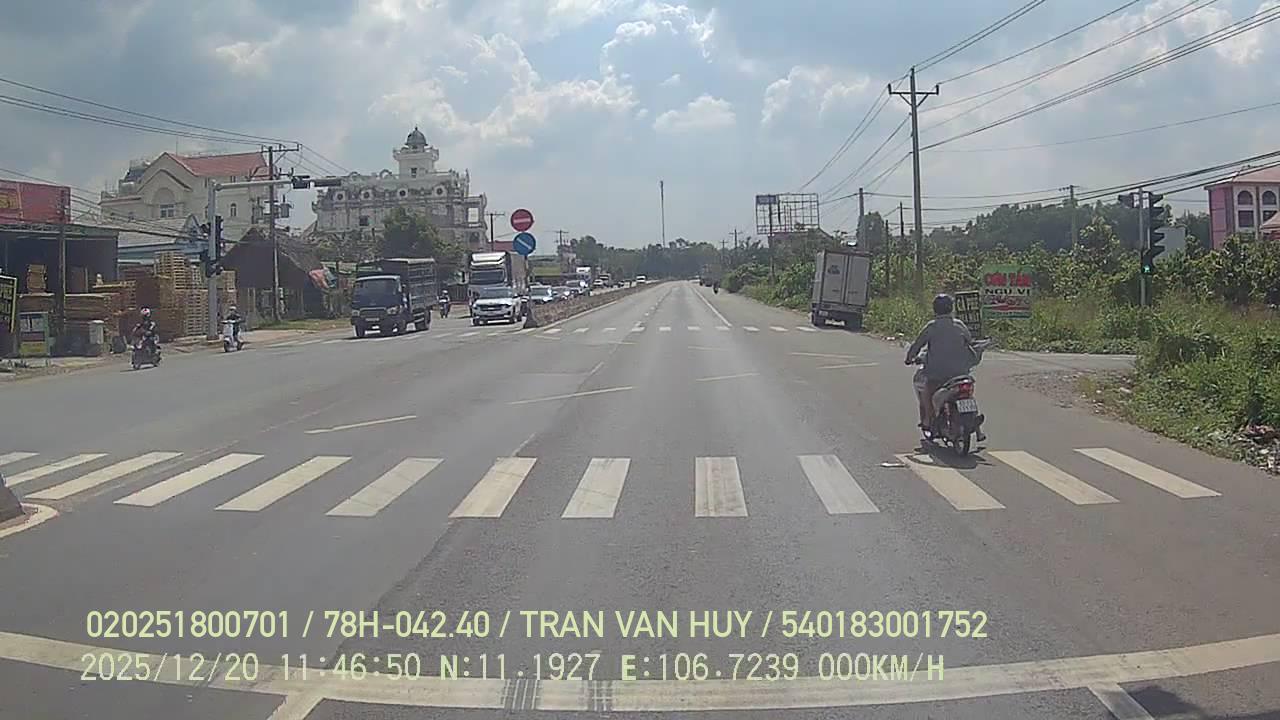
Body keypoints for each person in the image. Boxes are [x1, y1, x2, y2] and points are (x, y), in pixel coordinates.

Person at [904, 293, 983, 439]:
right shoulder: (959, 325)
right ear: (951, 308)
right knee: (968, 394)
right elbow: (970, 342)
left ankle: (929, 422)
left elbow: (917, 346)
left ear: (935, 309)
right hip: (961, 373)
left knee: (927, 394)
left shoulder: (931, 327)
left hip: (937, 375)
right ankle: (977, 428)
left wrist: (909, 358)